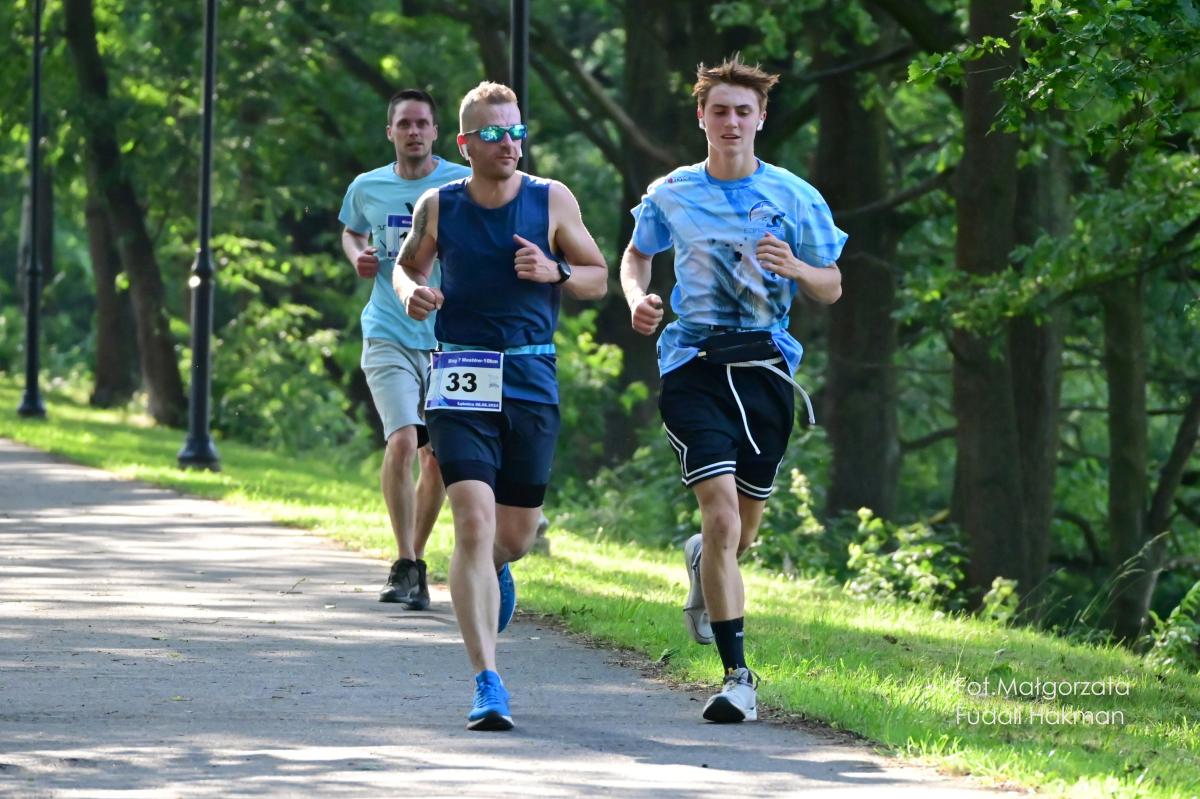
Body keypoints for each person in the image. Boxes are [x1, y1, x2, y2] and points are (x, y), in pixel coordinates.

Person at [620, 55, 845, 723]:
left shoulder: (795, 197)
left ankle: (703, 560)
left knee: (739, 533)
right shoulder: (671, 192)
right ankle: (737, 678)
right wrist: (637, 297)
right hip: (693, 365)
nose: (731, 122)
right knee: (719, 517)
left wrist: (796, 266)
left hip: (765, 371)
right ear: (701, 117)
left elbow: (832, 285)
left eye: (743, 111)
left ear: (761, 118)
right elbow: (637, 253)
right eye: (719, 110)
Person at [394, 81, 607, 731]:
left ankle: (493, 571)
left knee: (512, 536)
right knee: (473, 523)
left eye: (516, 131)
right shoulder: (439, 205)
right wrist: (411, 292)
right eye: (493, 133)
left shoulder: (551, 199)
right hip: (461, 373)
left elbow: (598, 276)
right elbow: (407, 266)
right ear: (465, 143)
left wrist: (556, 272)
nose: (508, 143)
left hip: (531, 376)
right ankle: (488, 681)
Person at [339, 89, 471, 610]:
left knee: (435, 459)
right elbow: (351, 232)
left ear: (436, 132)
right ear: (390, 132)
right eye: (404, 124)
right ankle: (404, 561)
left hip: (449, 340)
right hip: (388, 332)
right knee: (401, 441)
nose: (413, 131)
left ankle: (415, 561)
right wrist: (358, 255)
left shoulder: (461, 185)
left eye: (422, 123)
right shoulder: (367, 186)